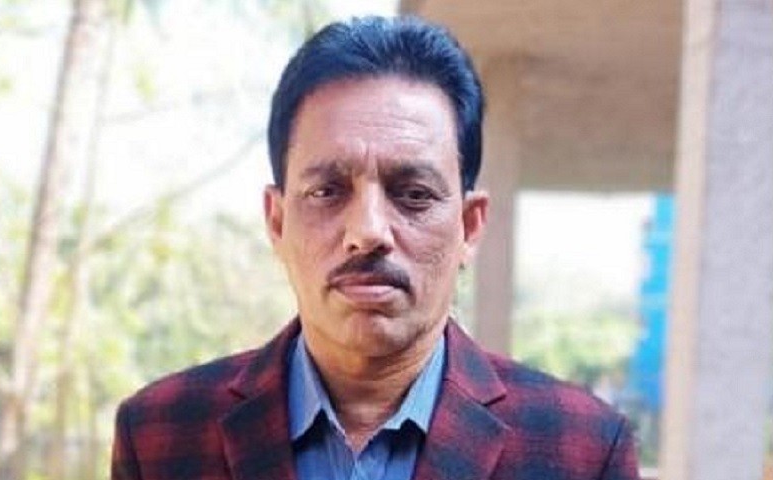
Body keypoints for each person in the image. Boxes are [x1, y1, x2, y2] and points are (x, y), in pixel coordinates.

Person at [111, 15, 639, 480]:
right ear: (277, 221)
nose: (368, 231)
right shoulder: (161, 434)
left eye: (413, 194)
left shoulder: (583, 450)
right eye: (327, 191)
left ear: (469, 226)